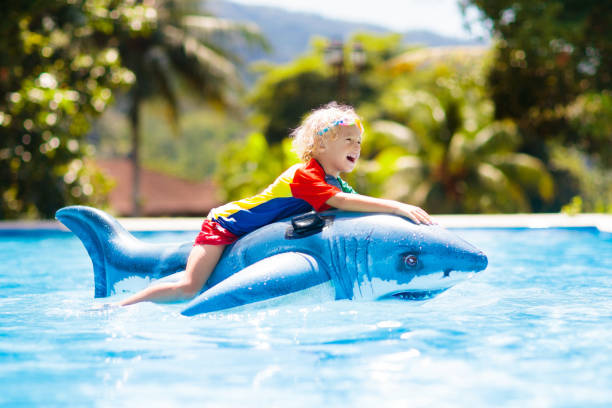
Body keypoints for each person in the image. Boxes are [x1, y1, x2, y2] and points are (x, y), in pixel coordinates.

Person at [120, 102, 434, 306]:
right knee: (189, 287)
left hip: (250, 236)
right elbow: (339, 202)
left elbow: (348, 207)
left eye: (359, 142)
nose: (356, 147)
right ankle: (122, 306)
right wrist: (396, 207)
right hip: (224, 226)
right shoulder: (304, 174)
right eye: (348, 140)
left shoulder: (334, 180)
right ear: (321, 143)